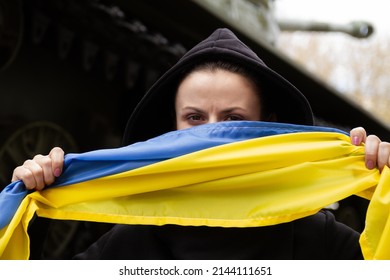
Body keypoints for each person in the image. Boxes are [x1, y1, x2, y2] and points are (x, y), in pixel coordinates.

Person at [10, 28, 390, 259]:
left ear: (268, 127)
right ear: (171, 127)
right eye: (194, 118)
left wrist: (381, 189)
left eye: (234, 121)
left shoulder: (317, 238)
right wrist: (34, 212)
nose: (211, 136)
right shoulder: (133, 234)